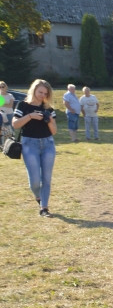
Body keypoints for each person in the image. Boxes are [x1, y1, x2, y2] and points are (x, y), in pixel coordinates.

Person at [12, 79, 57, 218]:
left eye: (45, 93)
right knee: (35, 181)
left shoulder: (48, 108)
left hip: (48, 143)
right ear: (33, 90)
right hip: (29, 144)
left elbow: (54, 131)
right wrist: (30, 116)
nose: (42, 95)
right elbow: (15, 124)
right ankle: (38, 196)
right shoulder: (23, 105)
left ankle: (44, 207)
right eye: (40, 92)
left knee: (47, 178)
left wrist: (49, 120)